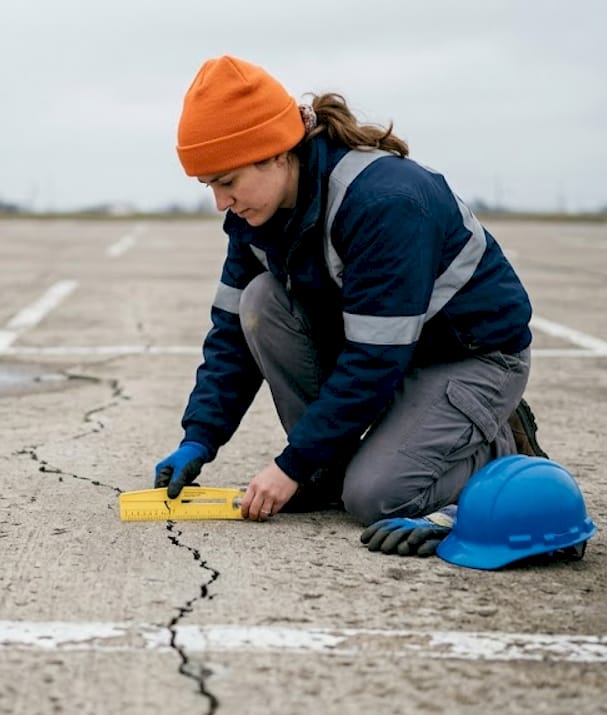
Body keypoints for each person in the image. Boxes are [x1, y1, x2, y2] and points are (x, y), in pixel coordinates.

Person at [153, 55, 548, 557]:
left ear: (276, 153)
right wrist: (200, 437)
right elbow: (231, 333)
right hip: (386, 357)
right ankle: (325, 469)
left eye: (227, 181)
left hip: (470, 360)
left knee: (377, 496)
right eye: (208, 185)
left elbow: (374, 360)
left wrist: (290, 465)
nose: (220, 203)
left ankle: (499, 445)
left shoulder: (385, 203)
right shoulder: (255, 218)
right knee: (260, 301)